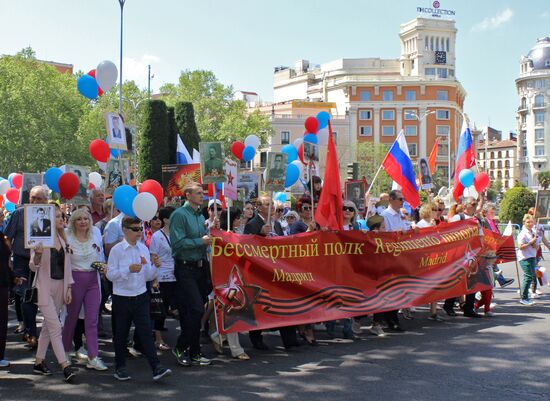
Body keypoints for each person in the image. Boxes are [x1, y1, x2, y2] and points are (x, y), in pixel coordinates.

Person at [106, 216, 171, 381]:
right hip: (122, 297)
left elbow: (148, 276)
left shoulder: (143, 249)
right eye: (135, 229)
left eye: (140, 228)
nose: (139, 232)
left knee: (145, 333)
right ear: (125, 230)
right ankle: (120, 367)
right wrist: (128, 269)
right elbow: (110, 275)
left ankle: (156, 367)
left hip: (141, 295)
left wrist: (155, 267)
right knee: (121, 334)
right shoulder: (117, 250)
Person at [30, 205, 76, 382]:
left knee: (49, 328)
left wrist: (69, 288)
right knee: (56, 327)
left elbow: (68, 267)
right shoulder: (40, 238)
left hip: (60, 287)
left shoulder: (63, 240)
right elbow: (33, 266)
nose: (60, 219)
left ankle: (39, 362)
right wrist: (38, 255)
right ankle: (65, 365)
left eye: (61, 216)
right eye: (56, 217)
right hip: (44, 287)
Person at [244, 195, 297, 349]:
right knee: (261, 304)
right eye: (267, 205)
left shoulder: (277, 224)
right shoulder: (252, 224)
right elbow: (247, 246)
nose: (271, 208)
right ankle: (256, 337)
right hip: (260, 272)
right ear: (259, 207)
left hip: (277, 270)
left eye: (272, 205)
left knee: (284, 302)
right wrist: (260, 234)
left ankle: (289, 339)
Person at [170, 182, 212, 366]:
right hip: (185, 268)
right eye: (198, 193)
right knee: (196, 310)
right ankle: (180, 346)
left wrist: (210, 231)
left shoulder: (199, 215)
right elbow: (178, 244)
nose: (202, 195)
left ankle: (195, 352)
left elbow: (204, 240)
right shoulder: (179, 215)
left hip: (200, 268)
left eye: (202, 193)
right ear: (188, 195)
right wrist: (200, 241)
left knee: (192, 312)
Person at [61, 208, 107, 371]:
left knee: (92, 319)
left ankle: (93, 357)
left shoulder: (95, 233)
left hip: (93, 279)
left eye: (86, 219)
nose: (83, 222)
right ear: (73, 222)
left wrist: (103, 267)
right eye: (79, 219)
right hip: (74, 279)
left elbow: (100, 255)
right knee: (72, 317)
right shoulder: (67, 235)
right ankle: (64, 351)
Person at [5, 186, 49, 348]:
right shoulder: (18, 214)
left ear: (46, 200)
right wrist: (7, 259)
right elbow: (7, 237)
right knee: (26, 295)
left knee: (43, 298)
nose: (36, 201)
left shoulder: (50, 214)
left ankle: (48, 334)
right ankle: (31, 334)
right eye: (33, 198)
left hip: (44, 261)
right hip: (22, 261)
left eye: (40, 198)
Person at [210, 208, 250, 360]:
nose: (240, 220)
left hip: (238, 277)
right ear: (231, 219)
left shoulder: (236, 234)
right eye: (237, 217)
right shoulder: (221, 235)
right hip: (226, 279)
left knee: (234, 311)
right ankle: (236, 349)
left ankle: (218, 334)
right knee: (233, 311)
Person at [445, 197, 482, 318]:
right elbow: (449, 233)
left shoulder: (477, 220)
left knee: (472, 281)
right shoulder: (458, 218)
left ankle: (469, 308)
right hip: (459, 254)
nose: (475, 205)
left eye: (476, 203)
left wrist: (480, 249)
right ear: (465, 206)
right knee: (456, 280)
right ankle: (449, 305)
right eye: (473, 204)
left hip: (472, 254)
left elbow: (480, 236)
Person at [149, 206, 177, 351]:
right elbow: (153, 257)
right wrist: (154, 279)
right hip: (162, 277)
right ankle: (158, 339)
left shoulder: (178, 233)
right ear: (166, 220)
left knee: (173, 308)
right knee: (160, 309)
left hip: (177, 276)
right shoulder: (157, 236)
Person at [517, 214, 538, 306]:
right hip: (525, 258)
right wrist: (530, 243)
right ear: (524, 223)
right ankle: (524, 297)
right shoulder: (523, 233)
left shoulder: (533, 232)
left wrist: (535, 245)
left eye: (531, 222)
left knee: (531, 276)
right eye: (527, 222)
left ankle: (525, 295)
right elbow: (520, 247)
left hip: (532, 256)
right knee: (528, 276)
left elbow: (536, 246)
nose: (530, 224)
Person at [0, 231, 13, 368]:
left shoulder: (1, 237)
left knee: (2, 320)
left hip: (2, 282)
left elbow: (5, 262)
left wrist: (13, 277)